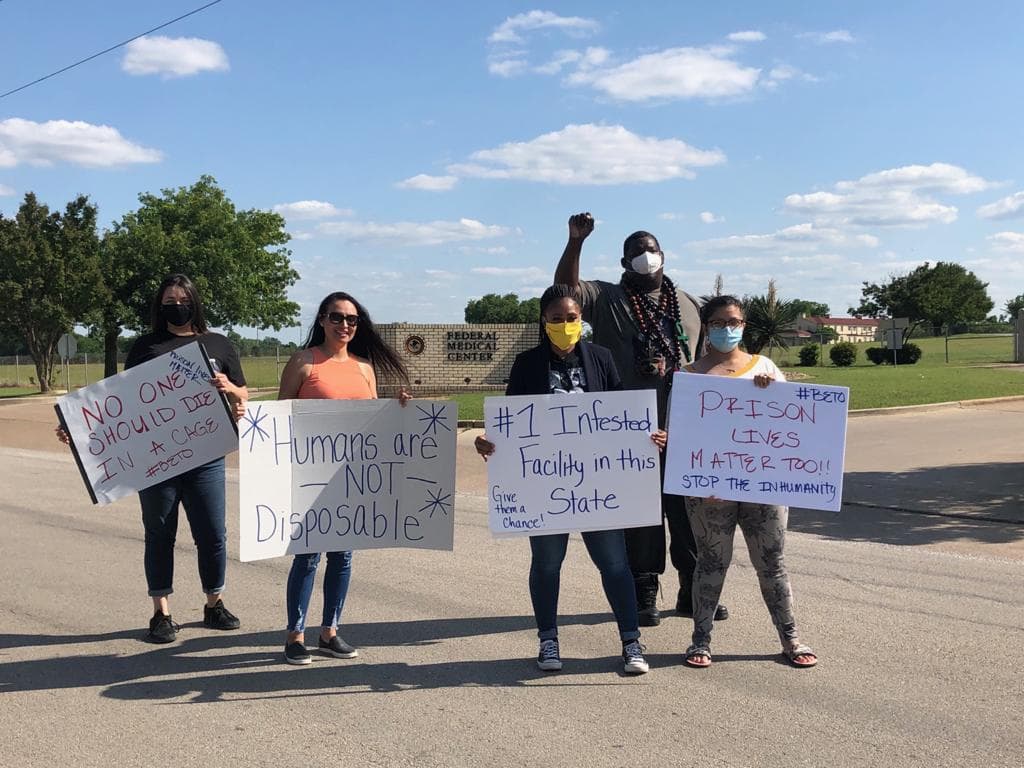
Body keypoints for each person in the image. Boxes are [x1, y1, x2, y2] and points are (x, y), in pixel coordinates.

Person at [474, 284, 664, 675]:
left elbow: (621, 414)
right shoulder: (527, 365)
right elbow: (509, 423)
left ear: (582, 320)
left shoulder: (601, 358)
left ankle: (631, 641)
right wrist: (488, 442)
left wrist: (649, 437)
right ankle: (548, 639)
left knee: (615, 565)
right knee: (546, 564)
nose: (564, 324)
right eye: (556, 319)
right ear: (544, 322)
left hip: (599, 488)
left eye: (572, 318)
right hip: (546, 489)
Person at [554, 212, 727, 626]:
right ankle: (644, 588)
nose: (645, 257)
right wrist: (576, 242)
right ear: (623, 262)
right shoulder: (608, 297)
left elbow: (709, 358)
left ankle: (692, 589)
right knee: (641, 512)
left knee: (688, 512)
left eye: (651, 250)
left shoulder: (688, 302)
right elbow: (564, 288)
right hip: (632, 427)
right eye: (636, 252)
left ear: (663, 255)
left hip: (685, 424)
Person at [58, 273, 249, 643]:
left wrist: (231, 391)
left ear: (195, 301)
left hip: (206, 455)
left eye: (182, 299)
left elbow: (242, 396)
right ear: (159, 308)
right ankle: (161, 612)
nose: (176, 306)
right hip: (157, 462)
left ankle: (214, 602)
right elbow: (122, 407)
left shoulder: (219, 344)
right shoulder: (146, 347)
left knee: (212, 533)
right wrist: (77, 432)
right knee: (160, 533)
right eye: (168, 301)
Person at [679, 295, 817, 669]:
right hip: (709, 491)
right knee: (710, 562)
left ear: (744, 325)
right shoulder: (689, 376)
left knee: (772, 562)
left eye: (735, 322)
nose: (728, 329)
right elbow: (683, 435)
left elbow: (793, 424)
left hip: (764, 488)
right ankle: (700, 640)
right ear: (706, 326)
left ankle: (791, 638)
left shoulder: (766, 368)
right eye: (720, 323)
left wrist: (771, 391)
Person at [277, 291, 410, 666]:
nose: (345, 325)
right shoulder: (305, 362)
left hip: (352, 480)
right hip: (309, 477)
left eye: (352, 320)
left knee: (343, 558)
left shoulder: (365, 368)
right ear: (321, 320)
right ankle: (295, 635)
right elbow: (278, 417)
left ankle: (329, 632)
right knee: (306, 558)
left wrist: (397, 408)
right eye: (337, 317)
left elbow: (373, 422)